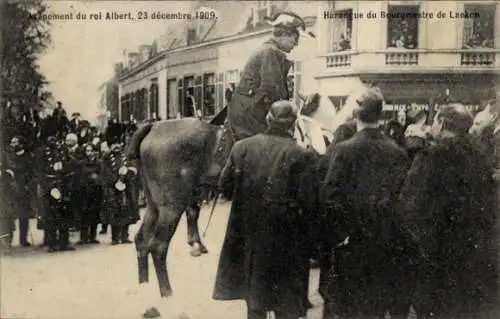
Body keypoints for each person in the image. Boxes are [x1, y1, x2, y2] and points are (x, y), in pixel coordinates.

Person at [213, 101, 317, 319]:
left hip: (249, 239)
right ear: (293, 124)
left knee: (255, 303)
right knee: (285, 306)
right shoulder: (302, 155)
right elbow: (310, 204)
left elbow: (225, 187)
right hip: (287, 243)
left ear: (268, 120)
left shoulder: (241, 148)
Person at [397, 103, 498, 318]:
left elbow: (409, 205)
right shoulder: (481, 158)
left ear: (441, 123)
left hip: (436, 259)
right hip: (472, 258)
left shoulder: (431, 156)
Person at [319, 88, 411, 318]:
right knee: (376, 307)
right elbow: (402, 200)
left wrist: (339, 235)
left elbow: (330, 197)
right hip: (384, 244)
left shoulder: (344, 150)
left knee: (349, 306)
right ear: (380, 114)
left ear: (355, 114)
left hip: (351, 244)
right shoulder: (397, 152)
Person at [227, 11, 314, 142]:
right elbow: (273, 90)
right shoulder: (270, 52)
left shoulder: (268, 50)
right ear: (284, 35)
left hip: (244, 110)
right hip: (250, 115)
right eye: (294, 39)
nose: (296, 44)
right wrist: (291, 110)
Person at [4, 136, 35, 247]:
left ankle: (23, 239)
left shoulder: (28, 157)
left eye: (15, 142)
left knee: (24, 215)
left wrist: (28, 186)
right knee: (9, 215)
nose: (13, 144)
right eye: (12, 142)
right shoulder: (9, 157)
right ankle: (9, 240)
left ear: (21, 143)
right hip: (11, 189)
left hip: (24, 189)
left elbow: (32, 174)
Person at [75, 144, 103, 245]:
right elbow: (78, 177)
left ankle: (92, 236)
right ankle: (83, 237)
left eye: (91, 150)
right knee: (84, 214)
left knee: (94, 214)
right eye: (87, 151)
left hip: (96, 192)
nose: (89, 153)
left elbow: (103, 176)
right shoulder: (81, 163)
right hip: (84, 192)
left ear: (95, 151)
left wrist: (97, 179)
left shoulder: (99, 163)